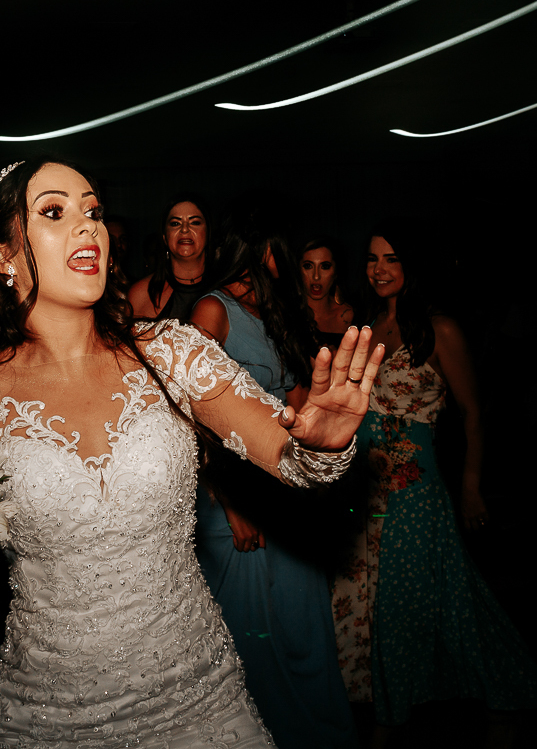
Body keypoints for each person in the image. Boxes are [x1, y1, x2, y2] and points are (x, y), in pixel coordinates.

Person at [0, 159, 385, 748]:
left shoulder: (172, 353)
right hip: (49, 717)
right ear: (2, 257)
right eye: (55, 212)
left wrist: (323, 444)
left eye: (93, 211)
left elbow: (293, 459)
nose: (88, 227)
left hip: (200, 702)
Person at [330, 220, 537, 745]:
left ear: (412, 265)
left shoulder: (440, 329)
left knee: (430, 605)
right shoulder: (366, 326)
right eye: (372, 259)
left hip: (415, 493)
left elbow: (474, 414)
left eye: (391, 258)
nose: (379, 269)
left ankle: (438, 709)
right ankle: (401, 708)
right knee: (382, 607)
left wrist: (472, 488)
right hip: (364, 491)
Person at [189, 208, 357, 749]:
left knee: (305, 627)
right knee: (250, 643)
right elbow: (190, 409)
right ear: (262, 254)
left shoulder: (275, 312)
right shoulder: (214, 309)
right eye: (280, 254)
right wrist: (231, 503)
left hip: (286, 496)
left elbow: (294, 406)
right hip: (235, 500)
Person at [128, 195, 212, 320]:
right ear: (164, 237)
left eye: (194, 222)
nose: (184, 229)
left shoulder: (228, 290)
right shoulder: (141, 294)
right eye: (175, 223)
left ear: (208, 233)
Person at [301, 235, 355, 350]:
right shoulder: (286, 313)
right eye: (308, 266)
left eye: (325, 267)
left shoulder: (351, 315)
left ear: (336, 272)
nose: (316, 276)